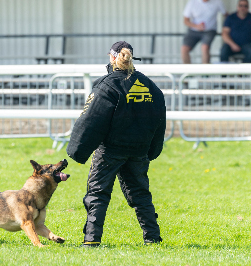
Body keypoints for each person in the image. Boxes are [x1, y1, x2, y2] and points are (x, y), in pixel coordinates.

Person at [66, 41, 166, 247]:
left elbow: (91, 120)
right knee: (141, 195)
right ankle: (153, 239)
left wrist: (77, 150)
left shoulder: (107, 86)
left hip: (110, 150)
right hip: (138, 151)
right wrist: (152, 150)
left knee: (98, 194)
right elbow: (159, 121)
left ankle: (92, 240)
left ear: (112, 57)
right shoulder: (151, 86)